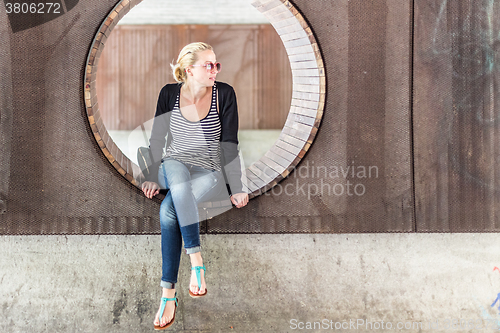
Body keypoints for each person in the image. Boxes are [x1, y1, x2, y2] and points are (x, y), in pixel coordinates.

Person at [141, 42, 249, 330]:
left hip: (209, 172)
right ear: (189, 70)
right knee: (177, 177)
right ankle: (197, 262)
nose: (214, 70)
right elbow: (157, 139)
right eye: (208, 65)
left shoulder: (224, 94)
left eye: (217, 65)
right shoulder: (169, 94)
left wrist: (236, 186)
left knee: (169, 212)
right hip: (174, 164)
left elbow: (229, 143)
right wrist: (151, 175)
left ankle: (168, 295)